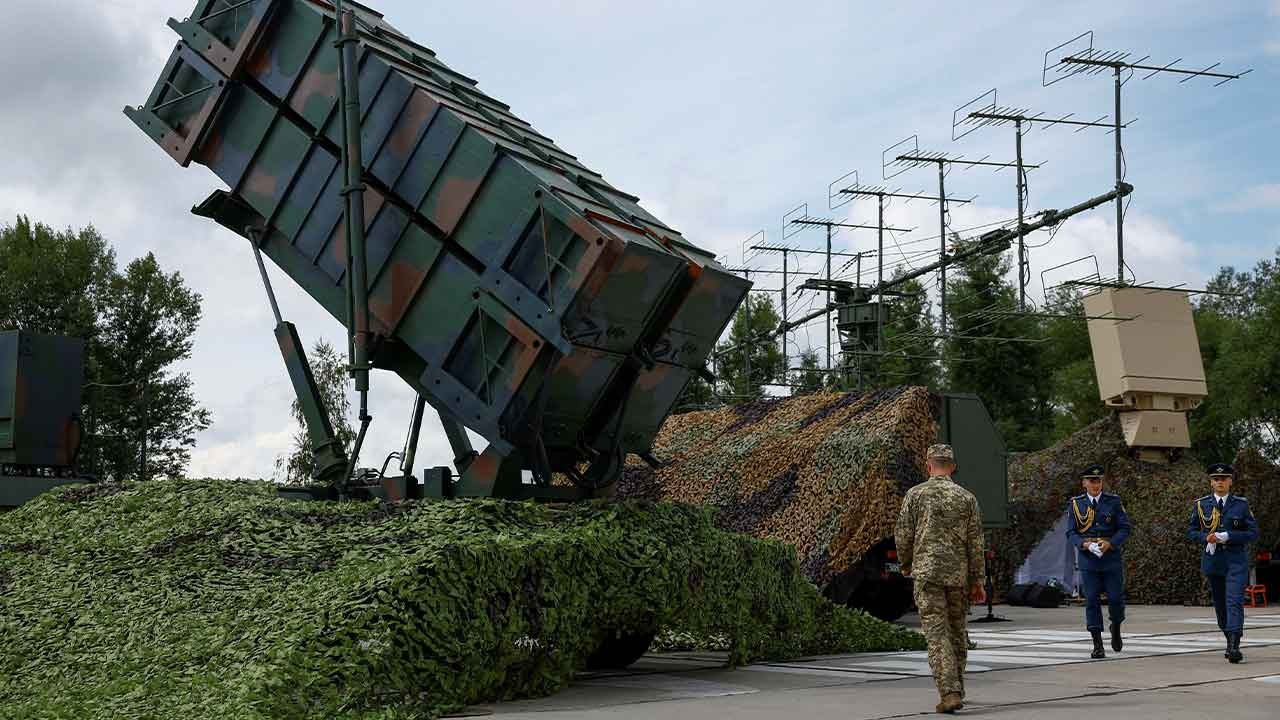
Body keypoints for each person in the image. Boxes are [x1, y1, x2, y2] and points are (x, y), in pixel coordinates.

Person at [895, 443, 985, 715]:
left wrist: (906, 563)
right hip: (957, 576)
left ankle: (949, 692)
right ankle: (958, 687)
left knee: (937, 633)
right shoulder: (967, 498)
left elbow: (903, 534)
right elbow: (976, 543)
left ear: (928, 464)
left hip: (927, 574)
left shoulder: (916, 495)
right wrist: (978, 580)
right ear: (953, 466)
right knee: (957, 632)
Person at [1186, 462, 1258, 663]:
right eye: (1216, 479)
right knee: (1220, 605)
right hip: (1214, 560)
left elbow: (1252, 533)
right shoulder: (1201, 505)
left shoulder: (1241, 505)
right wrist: (1204, 537)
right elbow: (1190, 531)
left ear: (1230, 482)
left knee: (1234, 601)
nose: (1220, 482)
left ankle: (1235, 645)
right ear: (1211, 482)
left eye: (1224, 479)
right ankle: (1229, 639)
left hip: (1235, 560)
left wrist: (1229, 535)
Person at [1064, 463, 1131, 659]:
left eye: (1098, 481)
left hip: (1110, 557)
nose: (1095, 484)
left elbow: (1125, 528)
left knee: (1116, 598)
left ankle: (1116, 625)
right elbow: (1071, 532)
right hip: (1089, 559)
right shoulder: (1076, 504)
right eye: (1092, 481)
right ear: (1084, 483)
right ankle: (1097, 643)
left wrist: (1111, 543)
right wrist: (1084, 545)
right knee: (1092, 599)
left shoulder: (1114, 501)